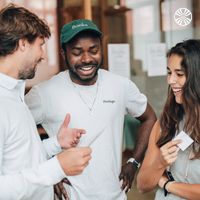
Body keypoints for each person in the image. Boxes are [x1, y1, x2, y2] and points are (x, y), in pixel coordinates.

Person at [25, 19, 157, 200]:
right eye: (77, 52)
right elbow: (18, 141)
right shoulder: (44, 93)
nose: (86, 59)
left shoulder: (120, 85)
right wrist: (49, 169)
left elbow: (149, 118)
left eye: (93, 50)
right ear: (64, 53)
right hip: (70, 196)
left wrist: (134, 162)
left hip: (115, 194)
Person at [0, 4, 92, 200]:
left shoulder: (14, 94)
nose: (43, 55)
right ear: (22, 43)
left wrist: (55, 144)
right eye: (40, 45)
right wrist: (56, 167)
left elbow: (19, 158)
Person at [137, 39, 200, 200]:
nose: (171, 80)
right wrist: (160, 162)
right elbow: (142, 185)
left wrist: (167, 184)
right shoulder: (166, 123)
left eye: (179, 74)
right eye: (169, 72)